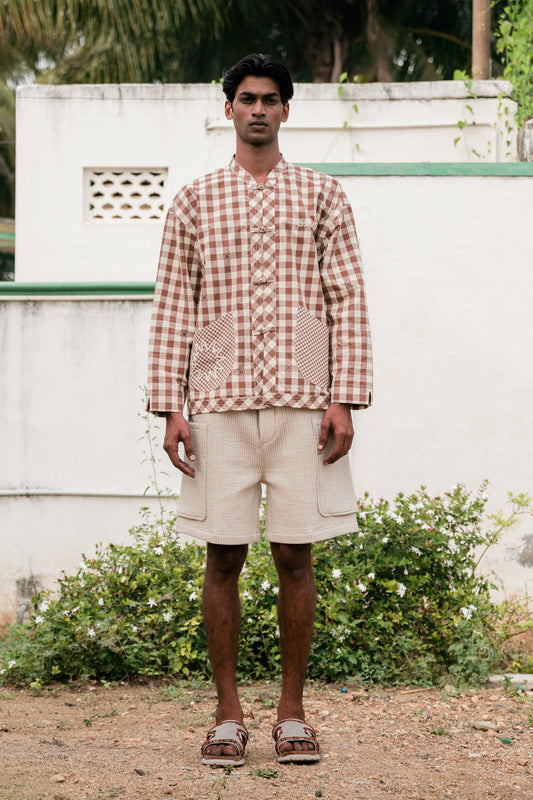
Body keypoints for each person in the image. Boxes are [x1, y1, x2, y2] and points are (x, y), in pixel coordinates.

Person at [147, 53, 372, 767]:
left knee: (294, 555)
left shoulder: (322, 195)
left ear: (285, 110)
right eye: (245, 98)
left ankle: (292, 714)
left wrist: (343, 396)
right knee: (222, 555)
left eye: (270, 99)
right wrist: (168, 408)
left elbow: (347, 297)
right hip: (215, 399)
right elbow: (173, 304)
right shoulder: (193, 199)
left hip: (305, 399)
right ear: (227, 109)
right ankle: (225, 717)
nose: (257, 109)